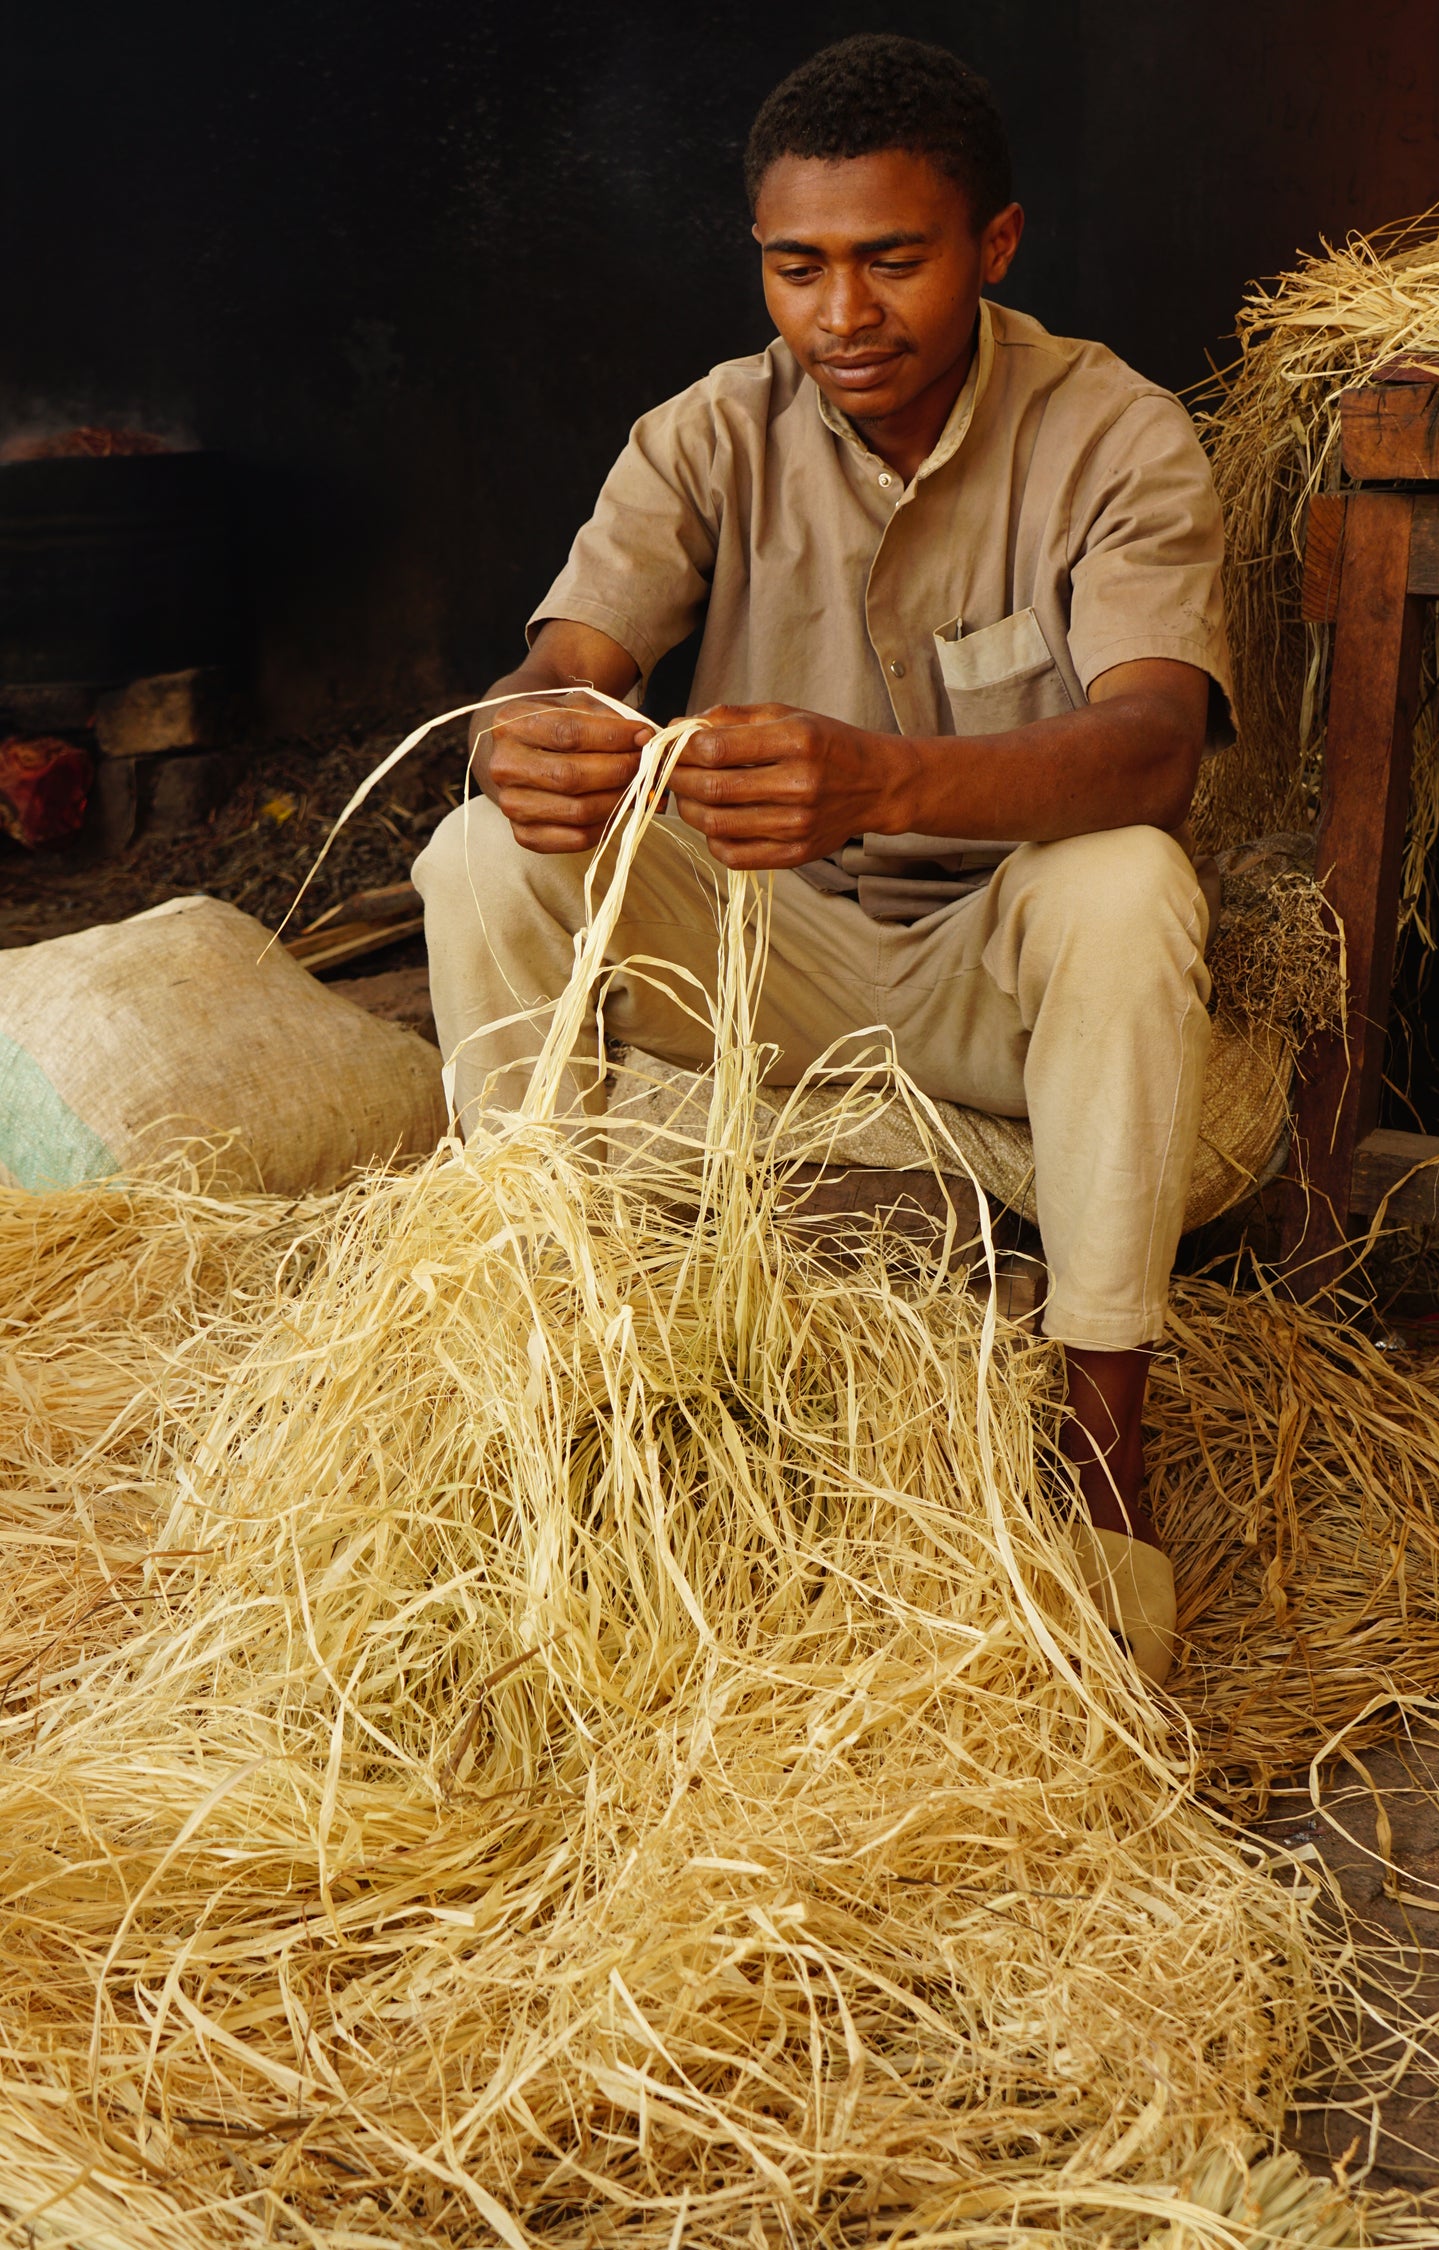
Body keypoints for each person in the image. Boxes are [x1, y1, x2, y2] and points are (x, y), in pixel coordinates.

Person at [413, 33, 1234, 1683]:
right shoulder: (709, 431)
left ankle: (1099, 1458)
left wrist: (886, 779)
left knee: (1133, 880)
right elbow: (563, 660)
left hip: (986, 969)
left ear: (994, 247)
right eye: (799, 268)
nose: (842, 316)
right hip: (757, 952)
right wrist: (529, 730)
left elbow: (1156, 745)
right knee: (477, 856)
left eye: (892, 261)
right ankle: (540, 1361)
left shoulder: (1118, 436)